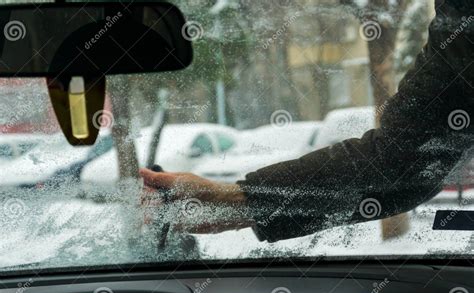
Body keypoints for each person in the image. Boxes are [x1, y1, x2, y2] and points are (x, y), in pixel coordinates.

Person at [140, 0, 474, 243]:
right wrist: (239, 201)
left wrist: (240, 201)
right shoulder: (461, 26)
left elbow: (403, 161)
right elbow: (404, 161)